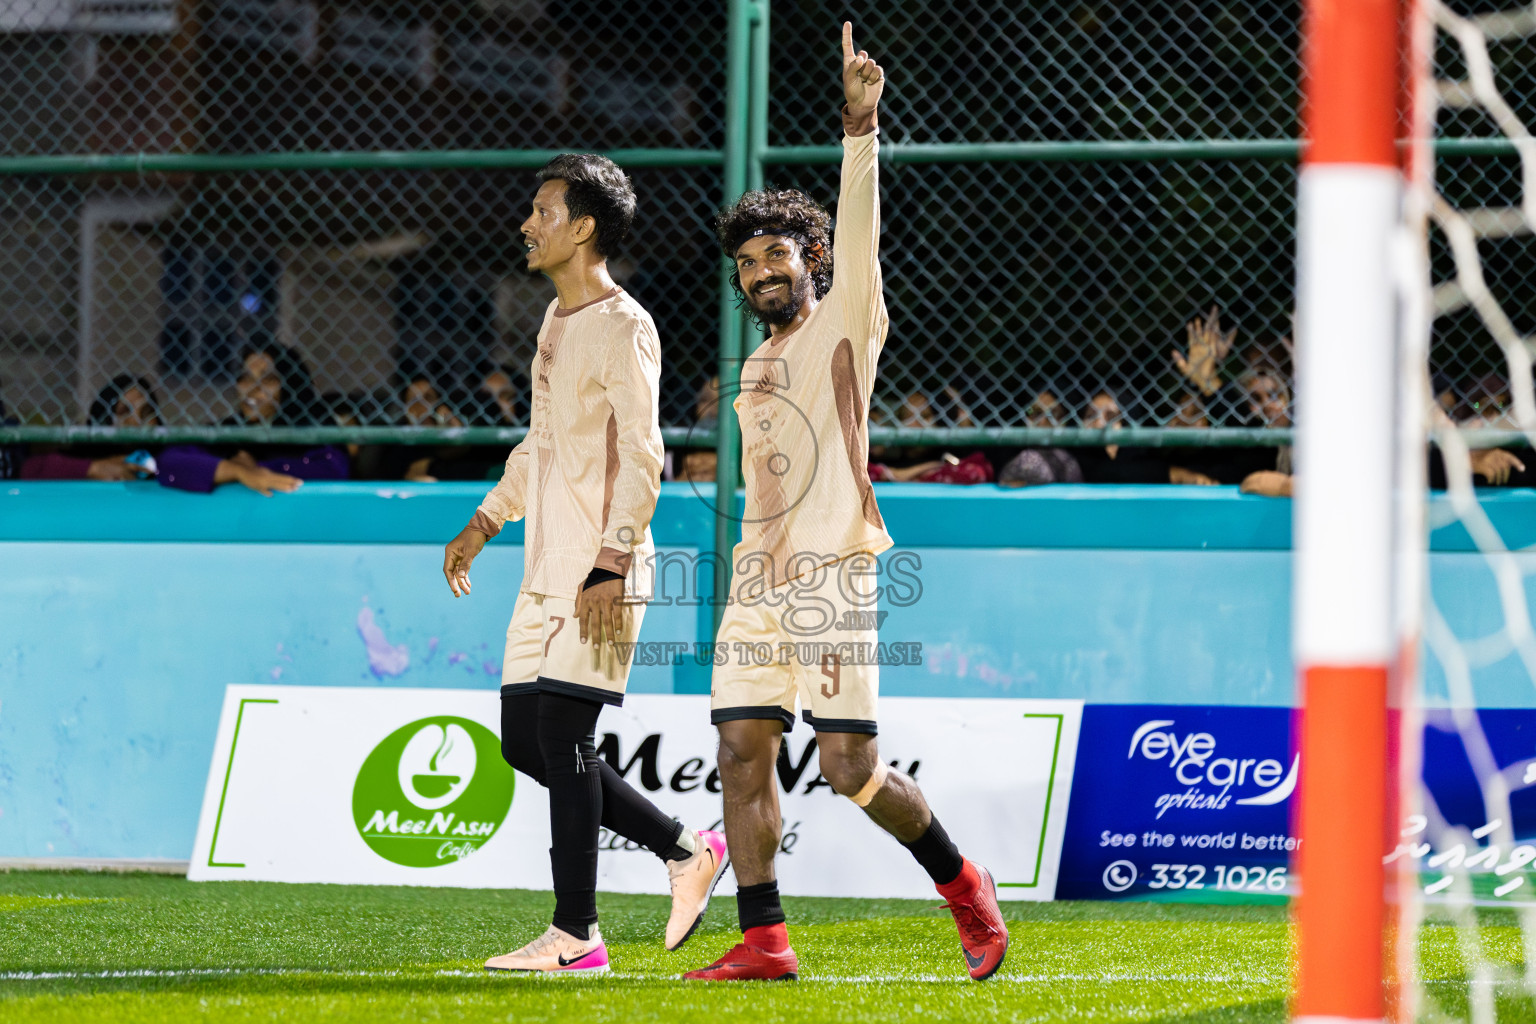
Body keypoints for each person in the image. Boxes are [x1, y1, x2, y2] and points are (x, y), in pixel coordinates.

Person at [687, 23, 1008, 984]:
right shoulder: (754, 369)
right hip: (757, 584)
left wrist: (859, 128)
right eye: (747, 263)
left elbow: (861, 228)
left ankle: (963, 882)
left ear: (812, 257)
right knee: (741, 752)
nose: (760, 272)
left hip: (835, 573)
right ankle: (765, 941)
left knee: (849, 771)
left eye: (776, 255)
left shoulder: (846, 319)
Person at [438, 152, 727, 976]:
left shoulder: (626, 326)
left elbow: (643, 455)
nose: (527, 225)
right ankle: (686, 848)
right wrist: (486, 519)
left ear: (585, 227)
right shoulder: (554, 321)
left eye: (544, 212)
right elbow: (542, 444)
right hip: (544, 568)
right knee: (524, 745)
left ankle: (577, 935)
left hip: (602, 568)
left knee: (564, 737)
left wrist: (610, 560)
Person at [153, 344, 347, 494]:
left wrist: (257, 469)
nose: (253, 388)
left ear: (291, 385)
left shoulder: (312, 425)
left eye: (268, 378)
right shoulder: (231, 429)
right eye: (245, 377)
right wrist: (238, 471)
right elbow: (169, 462)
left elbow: (334, 468)